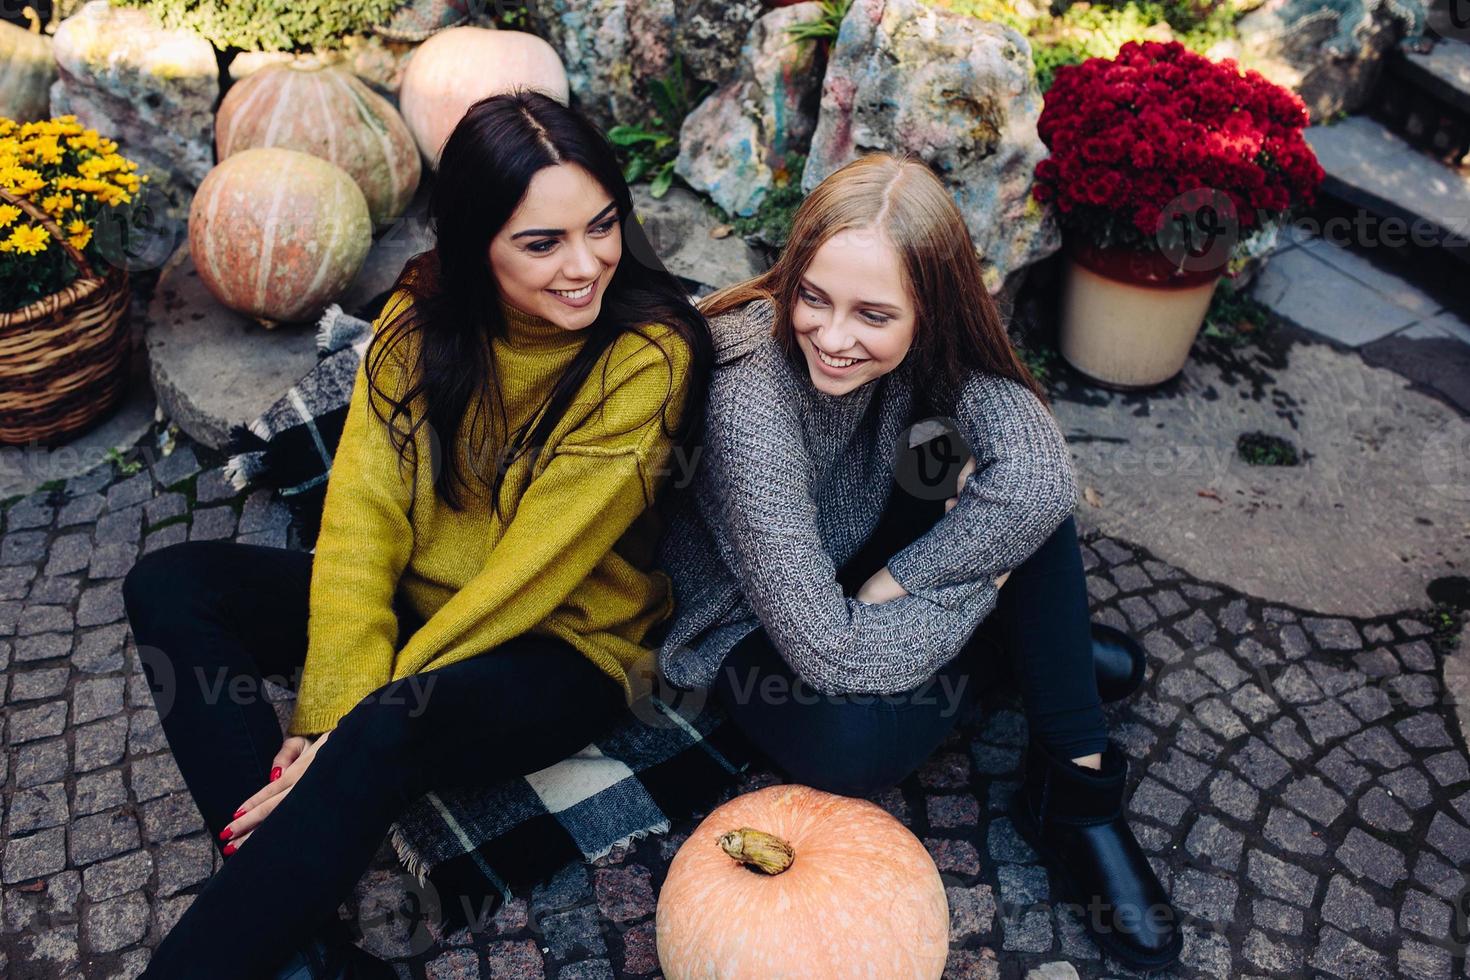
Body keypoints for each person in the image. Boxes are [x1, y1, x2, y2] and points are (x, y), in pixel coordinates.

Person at [122, 90, 711, 980]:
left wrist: (345, 735)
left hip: (564, 645)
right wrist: (328, 703)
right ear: (475, 242)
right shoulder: (418, 313)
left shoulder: (647, 357)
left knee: (386, 727)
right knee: (169, 586)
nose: (585, 265)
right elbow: (362, 511)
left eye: (603, 225)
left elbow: (528, 575)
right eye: (542, 242)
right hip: (424, 598)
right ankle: (308, 953)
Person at [656, 153, 1181, 969]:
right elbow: (829, 648)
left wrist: (900, 581)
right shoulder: (750, 395)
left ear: (927, 312)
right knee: (853, 746)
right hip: (750, 622)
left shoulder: (934, 349)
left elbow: (1042, 477)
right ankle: (1029, 651)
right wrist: (985, 590)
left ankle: (1077, 797)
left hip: (861, 553)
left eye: (874, 315)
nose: (833, 338)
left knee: (1021, 496)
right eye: (814, 298)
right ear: (791, 277)